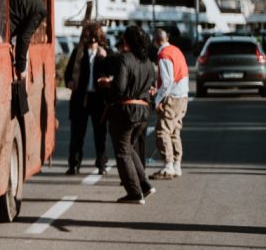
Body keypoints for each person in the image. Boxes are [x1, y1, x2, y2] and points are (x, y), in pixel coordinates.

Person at [99, 25, 157, 204]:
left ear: (127, 41)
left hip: (126, 111)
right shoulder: (147, 62)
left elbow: (120, 88)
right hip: (143, 111)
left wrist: (108, 84)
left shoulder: (125, 59)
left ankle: (134, 192)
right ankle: (145, 185)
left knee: (123, 153)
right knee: (130, 148)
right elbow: (149, 87)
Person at [64, 21, 113, 175]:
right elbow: (68, 73)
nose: (92, 42)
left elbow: (115, 73)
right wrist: (69, 82)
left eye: (95, 38)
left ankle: (101, 164)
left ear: (100, 38)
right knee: (77, 134)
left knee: (100, 135)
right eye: (90, 38)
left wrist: (107, 58)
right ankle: (74, 164)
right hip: (81, 98)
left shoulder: (106, 53)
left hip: (99, 99)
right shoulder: (78, 53)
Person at [150, 27, 189, 179]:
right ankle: (176, 165)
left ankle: (168, 165)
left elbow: (167, 82)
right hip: (182, 96)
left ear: (156, 40)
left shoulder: (164, 54)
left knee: (162, 131)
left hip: (172, 97)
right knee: (175, 132)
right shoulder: (176, 50)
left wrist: (157, 99)